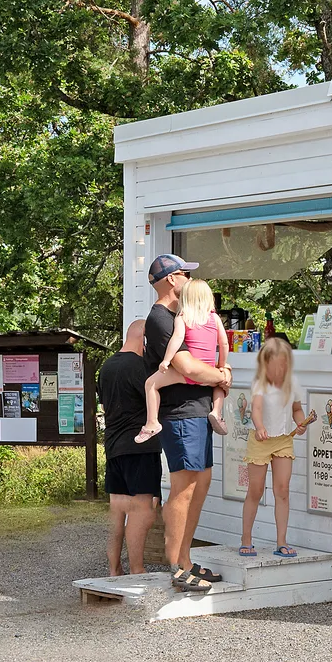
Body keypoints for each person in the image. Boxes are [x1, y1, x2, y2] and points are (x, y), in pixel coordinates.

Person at [143, 253, 232, 593]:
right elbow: (188, 366)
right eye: (184, 274)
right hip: (180, 412)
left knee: (202, 481)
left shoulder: (191, 314)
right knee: (183, 487)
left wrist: (220, 374)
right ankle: (175, 565)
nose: (189, 280)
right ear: (170, 280)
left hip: (199, 408)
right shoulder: (161, 319)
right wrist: (222, 376)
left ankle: (186, 558)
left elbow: (211, 353)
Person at [239, 337, 316, 558]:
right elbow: (256, 409)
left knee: (282, 490)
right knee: (255, 490)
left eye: (284, 364)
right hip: (261, 441)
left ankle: (281, 541)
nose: (280, 369)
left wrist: (301, 423)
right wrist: (260, 426)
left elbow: (296, 409)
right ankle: (246, 538)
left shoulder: (292, 383)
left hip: (283, 439)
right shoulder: (260, 384)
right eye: (276, 364)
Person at [97, 320, 162, 576]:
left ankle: (114, 569)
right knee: (142, 510)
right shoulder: (141, 367)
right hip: (140, 447)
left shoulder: (107, 366)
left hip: (113, 447)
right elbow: (156, 400)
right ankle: (137, 569)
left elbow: (105, 406)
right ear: (145, 339)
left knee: (117, 510)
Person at [136, 278, 229, 442]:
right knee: (220, 385)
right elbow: (224, 343)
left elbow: (176, 339)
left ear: (185, 298)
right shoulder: (215, 319)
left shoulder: (182, 317)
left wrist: (166, 360)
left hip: (187, 375)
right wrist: (221, 366)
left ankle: (152, 423)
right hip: (208, 370)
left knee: (151, 384)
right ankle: (217, 412)